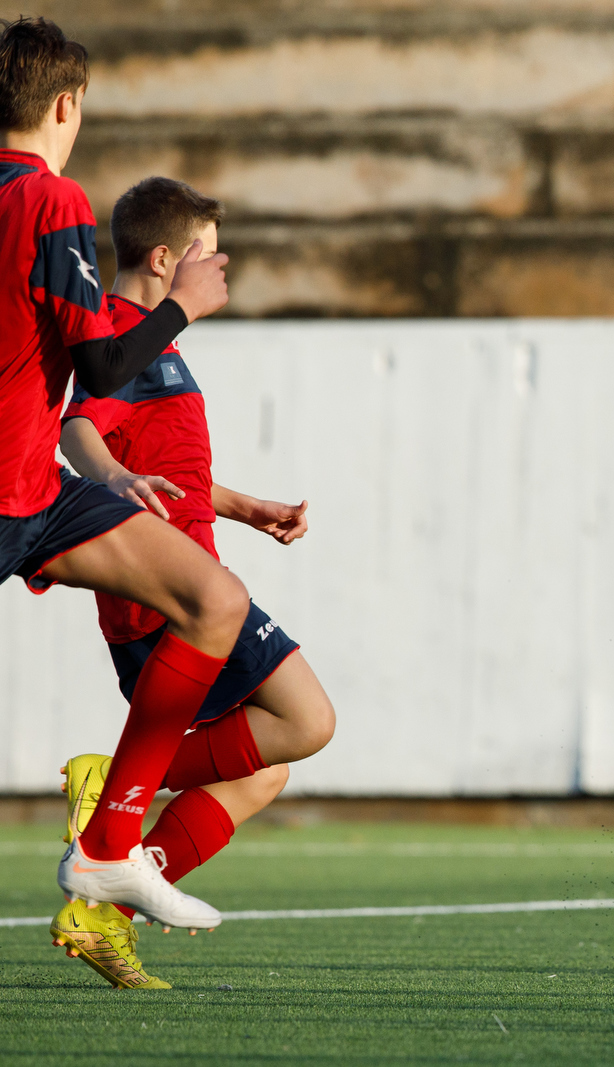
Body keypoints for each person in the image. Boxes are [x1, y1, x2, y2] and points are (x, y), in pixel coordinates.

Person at [52, 177, 336, 989]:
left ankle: (108, 904)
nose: (221, 271)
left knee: (263, 771)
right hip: (167, 603)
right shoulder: (116, 330)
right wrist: (108, 477)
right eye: (208, 256)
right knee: (308, 719)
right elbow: (80, 424)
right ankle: (115, 794)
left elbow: (167, 469)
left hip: (194, 585)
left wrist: (245, 506)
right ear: (167, 258)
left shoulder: (157, 343)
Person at [0, 16, 238, 966]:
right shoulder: (51, 197)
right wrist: (185, 303)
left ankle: (107, 848)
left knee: (213, 599)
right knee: (213, 604)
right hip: (16, 487)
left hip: (38, 488)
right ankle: (105, 844)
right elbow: (100, 367)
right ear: (68, 105)